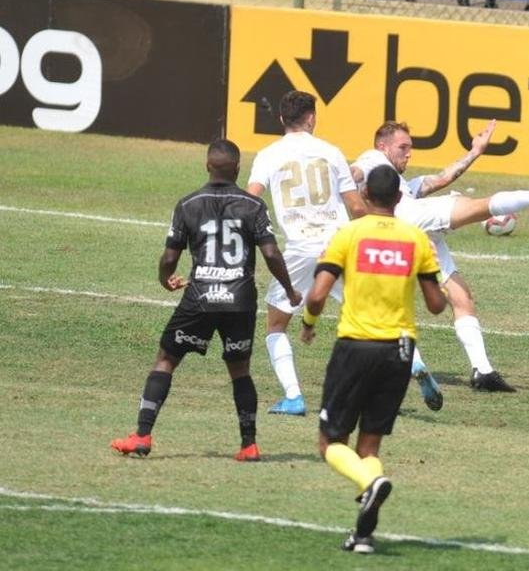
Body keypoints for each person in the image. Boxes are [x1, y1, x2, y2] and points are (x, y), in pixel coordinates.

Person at [111, 140, 301, 460]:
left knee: (166, 360)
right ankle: (249, 445)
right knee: (240, 370)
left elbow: (170, 256)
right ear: (238, 168)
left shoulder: (188, 204)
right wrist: (291, 289)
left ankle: (142, 435)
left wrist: (164, 279)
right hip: (239, 298)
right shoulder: (254, 206)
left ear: (206, 165)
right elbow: (270, 252)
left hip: (199, 297)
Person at [300, 165, 448, 554]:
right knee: (370, 446)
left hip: (356, 346)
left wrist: (309, 324)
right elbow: (436, 306)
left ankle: (369, 485)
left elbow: (317, 295)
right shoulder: (416, 239)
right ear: (399, 198)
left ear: (364, 196)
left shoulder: (348, 234)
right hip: (400, 351)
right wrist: (426, 274)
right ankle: (363, 535)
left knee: (329, 442)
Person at [351, 120, 529, 393]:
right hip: (409, 218)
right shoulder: (373, 158)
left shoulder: (403, 184)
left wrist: (475, 151)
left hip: (414, 232)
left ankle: (483, 371)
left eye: (410, 148)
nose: (409, 153)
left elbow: (443, 178)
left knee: (461, 297)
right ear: (383, 146)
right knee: (477, 207)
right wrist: (346, 183)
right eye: (403, 147)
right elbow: (356, 171)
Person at [246, 91, 366, 416]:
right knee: (371, 315)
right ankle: (415, 366)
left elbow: (251, 199)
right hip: (339, 244)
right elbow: (355, 206)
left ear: (282, 119)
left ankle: (294, 397)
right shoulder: (331, 152)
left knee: (275, 325)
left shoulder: (268, 155)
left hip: (299, 248)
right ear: (312, 118)